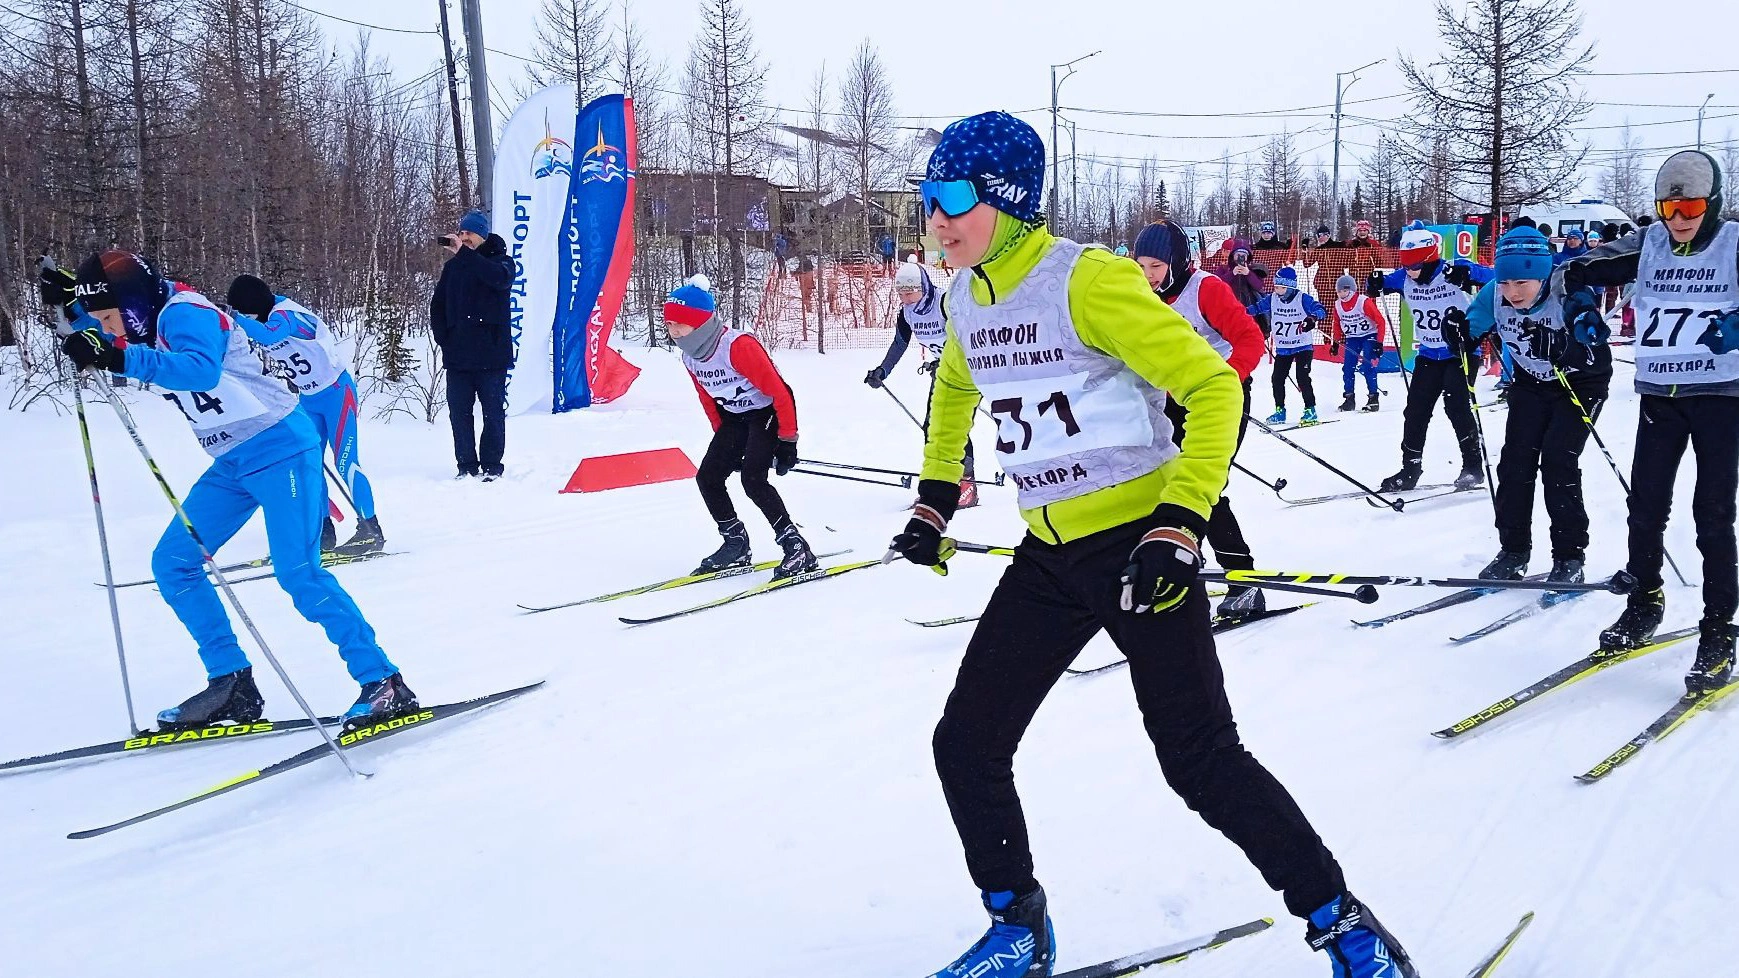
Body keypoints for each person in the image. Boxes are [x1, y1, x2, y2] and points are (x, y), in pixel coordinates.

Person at [890, 110, 1416, 978]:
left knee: (1199, 760)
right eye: (927, 200)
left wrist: (1180, 524)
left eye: (951, 199)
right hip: (1050, 555)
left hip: (1138, 547)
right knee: (966, 743)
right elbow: (953, 388)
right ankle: (1016, 926)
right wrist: (935, 498)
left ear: (1008, 203)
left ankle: (1345, 925)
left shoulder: (1084, 281)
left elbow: (1212, 386)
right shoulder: (962, 297)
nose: (934, 219)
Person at [56, 251, 415, 729]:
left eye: (109, 315)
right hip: (233, 461)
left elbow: (198, 370)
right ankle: (231, 683)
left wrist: (116, 353)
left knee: (299, 574)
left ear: (135, 302)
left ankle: (383, 682)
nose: (109, 327)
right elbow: (113, 345)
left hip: (283, 449)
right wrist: (69, 311)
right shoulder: (145, 322)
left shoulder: (186, 313)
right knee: (174, 563)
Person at [1561, 149, 1739, 691]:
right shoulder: (1650, 242)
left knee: (1711, 514)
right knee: (1646, 506)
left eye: (1690, 207)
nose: (1679, 218)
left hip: (1720, 398)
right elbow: (1576, 269)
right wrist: (1581, 308)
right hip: (1661, 394)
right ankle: (1646, 601)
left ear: (1712, 204)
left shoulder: (1734, 243)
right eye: (1669, 206)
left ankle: (1718, 631)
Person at [1132, 219, 1269, 620]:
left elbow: (1250, 339)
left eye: (1156, 266)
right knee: (1164, 484)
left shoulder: (1205, 289)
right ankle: (1177, 569)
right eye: (1141, 267)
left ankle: (1243, 581)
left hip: (1222, 394)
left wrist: (1225, 379)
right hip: (1175, 398)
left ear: (1176, 262)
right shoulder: (1144, 296)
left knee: (1203, 487)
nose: (1148, 275)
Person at [1464, 227, 1611, 588]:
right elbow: (1470, 330)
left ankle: (1569, 556)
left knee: (1558, 461)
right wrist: (1460, 333)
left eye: (1522, 283)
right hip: (1532, 383)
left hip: (1579, 382)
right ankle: (1513, 550)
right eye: (1505, 282)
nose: (1512, 292)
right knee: (1515, 463)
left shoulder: (1569, 294)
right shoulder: (1493, 295)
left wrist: (1563, 345)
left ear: (1543, 275)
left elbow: (1597, 355)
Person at [666, 276, 816, 579]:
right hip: (734, 418)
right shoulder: (690, 356)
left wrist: (787, 441)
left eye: (679, 324)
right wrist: (725, 442)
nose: (673, 332)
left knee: (753, 480)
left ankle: (796, 547)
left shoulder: (737, 346)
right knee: (708, 477)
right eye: (669, 325)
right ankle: (735, 544)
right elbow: (708, 398)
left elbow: (780, 393)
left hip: (766, 414)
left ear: (700, 322)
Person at [225, 274, 383, 556]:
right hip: (309, 399)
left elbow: (270, 334)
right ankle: (322, 532)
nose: (246, 318)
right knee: (309, 464)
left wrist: (232, 318)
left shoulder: (290, 315)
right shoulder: (261, 318)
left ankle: (371, 530)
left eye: (246, 312)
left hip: (337, 393)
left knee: (345, 462)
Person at [1367, 221, 1493, 492]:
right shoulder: (1403, 276)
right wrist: (1374, 283)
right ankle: (1410, 470)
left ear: (1430, 259)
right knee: (1415, 411)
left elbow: (1494, 279)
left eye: (1415, 266)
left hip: (1460, 352)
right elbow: (1381, 285)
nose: (1410, 272)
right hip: (1428, 354)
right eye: (1406, 266)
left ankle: (1473, 467)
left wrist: (1469, 273)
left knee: (1457, 407)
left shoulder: (1452, 270)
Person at [865, 257, 979, 508]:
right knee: (932, 427)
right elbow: (899, 344)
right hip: (946, 372)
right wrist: (882, 371)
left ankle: (967, 485)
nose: (905, 298)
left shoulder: (944, 303)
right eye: (901, 293)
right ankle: (942, 486)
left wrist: (948, 360)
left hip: (971, 368)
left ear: (923, 287)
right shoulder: (906, 314)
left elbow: (966, 336)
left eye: (910, 292)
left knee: (955, 426)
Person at [431, 209, 515, 481]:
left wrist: (465, 255)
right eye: (461, 232)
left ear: (482, 234)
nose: (463, 237)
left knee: (492, 413)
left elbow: (497, 280)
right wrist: (444, 337)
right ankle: (466, 465)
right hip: (458, 356)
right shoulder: (453, 267)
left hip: (491, 355)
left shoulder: (501, 262)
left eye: (469, 233)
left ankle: (492, 465)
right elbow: (438, 305)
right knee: (459, 413)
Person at [1248, 266, 1327, 425]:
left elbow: (1320, 309)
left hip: (1302, 345)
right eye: (1276, 286)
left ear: (1290, 287)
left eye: (1281, 287)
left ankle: (1310, 410)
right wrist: (1238, 313)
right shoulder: (1272, 299)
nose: (1277, 290)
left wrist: (1312, 318)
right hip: (1283, 347)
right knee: (1277, 379)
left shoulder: (1302, 298)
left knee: (1302, 377)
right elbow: (1256, 309)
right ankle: (1280, 411)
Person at [1330, 273, 1387, 412]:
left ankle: (1373, 398)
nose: (1342, 294)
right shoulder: (1338, 305)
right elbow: (1337, 324)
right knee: (1348, 367)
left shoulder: (1363, 301)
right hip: (1352, 338)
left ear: (1352, 290)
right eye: (1339, 291)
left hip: (1369, 335)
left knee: (1368, 366)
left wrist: (1379, 343)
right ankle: (1349, 399)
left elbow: (1380, 321)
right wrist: (1335, 343)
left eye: (1344, 291)